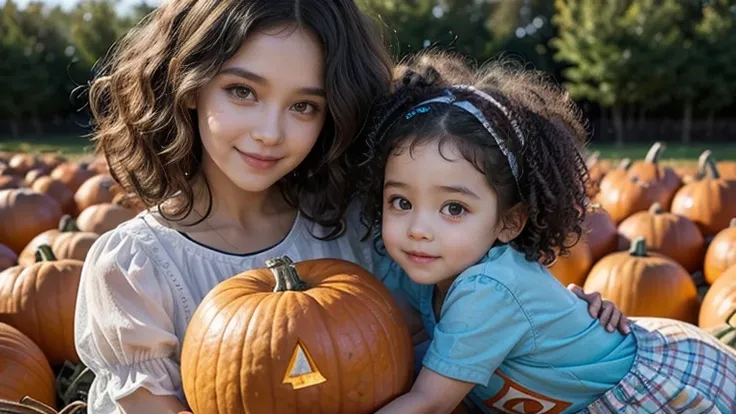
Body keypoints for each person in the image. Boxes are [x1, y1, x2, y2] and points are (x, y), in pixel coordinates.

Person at [74, 1, 629, 413]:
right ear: (190, 86)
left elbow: (470, 307)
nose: (270, 132)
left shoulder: (352, 226)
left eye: (305, 105)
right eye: (243, 91)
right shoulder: (133, 267)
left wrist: (564, 314)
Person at [360, 51, 736, 414]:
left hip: (650, 397)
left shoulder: (489, 290)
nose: (419, 229)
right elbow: (387, 344)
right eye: (401, 202)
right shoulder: (423, 272)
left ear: (509, 221)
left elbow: (430, 403)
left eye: (454, 208)